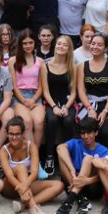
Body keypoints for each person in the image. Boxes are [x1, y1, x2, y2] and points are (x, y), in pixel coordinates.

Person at [0, 116, 64, 214]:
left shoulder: (31, 146)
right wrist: (22, 187)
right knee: (21, 167)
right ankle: (33, 206)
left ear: (23, 133)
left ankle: (22, 204)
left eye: (17, 134)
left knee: (59, 185)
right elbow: (9, 176)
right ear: (7, 134)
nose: (14, 137)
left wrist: (25, 186)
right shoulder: (3, 151)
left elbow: (34, 172)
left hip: (27, 182)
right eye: (11, 134)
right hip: (10, 186)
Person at [76, 32, 108, 152]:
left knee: (105, 131)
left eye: (99, 45)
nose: (95, 47)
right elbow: (81, 90)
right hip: (90, 103)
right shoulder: (82, 65)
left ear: (106, 47)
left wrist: (105, 110)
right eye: (93, 44)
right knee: (86, 129)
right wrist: (89, 108)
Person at [54, 116, 108, 214]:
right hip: (73, 182)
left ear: (96, 133)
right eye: (83, 133)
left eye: (89, 133)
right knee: (62, 154)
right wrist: (72, 170)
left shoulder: (103, 150)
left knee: (88, 159)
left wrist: (87, 181)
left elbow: (106, 175)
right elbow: (60, 148)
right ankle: (80, 199)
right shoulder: (76, 142)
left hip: (92, 188)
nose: (86, 136)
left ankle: (68, 202)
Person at [41, 35, 76, 172]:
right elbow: (45, 91)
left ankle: (68, 156)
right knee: (52, 119)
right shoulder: (45, 66)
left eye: (64, 45)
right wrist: (54, 107)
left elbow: (73, 92)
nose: (60, 46)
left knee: (68, 121)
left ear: (69, 49)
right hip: (51, 102)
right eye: (58, 44)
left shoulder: (73, 66)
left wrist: (66, 107)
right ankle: (49, 156)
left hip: (68, 102)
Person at [9, 29, 46, 145]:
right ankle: (31, 156)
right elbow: (14, 86)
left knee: (39, 122)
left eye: (30, 43)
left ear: (35, 43)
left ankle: (35, 155)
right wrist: (24, 101)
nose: (28, 46)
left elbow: (41, 86)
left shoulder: (40, 61)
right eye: (25, 43)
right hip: (19, 96)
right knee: (27, 122)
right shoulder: (13, 61)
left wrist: (33, 99)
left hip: (35, 96)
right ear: (20, 44)